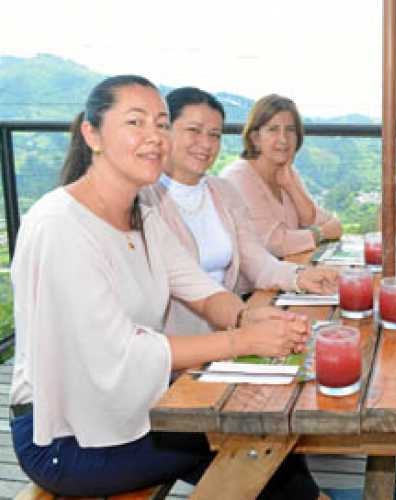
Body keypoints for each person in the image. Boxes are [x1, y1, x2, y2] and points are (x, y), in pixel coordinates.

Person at [8, 75, 323, 499]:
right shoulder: (59, 226)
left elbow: (200, 289)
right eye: (135, 122)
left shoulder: (144, 212)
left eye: (160, 124)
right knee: (253, 438)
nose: (154, 137)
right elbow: (122, 350)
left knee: (267, 436)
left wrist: (248, 315)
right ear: (92, 134)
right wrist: (243, 340)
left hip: (131, 407)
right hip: (68, 438)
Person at [140, 87, 338, 335]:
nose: (206, 144)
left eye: (215, 134)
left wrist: (300, 276)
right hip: (178, 345)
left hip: (231, 327)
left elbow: (257, 261)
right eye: (194, 130)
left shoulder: (223, 192)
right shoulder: (142, 200)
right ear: (164, 131)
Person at [220, 94, 342, 257]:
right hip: (252, 274)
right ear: (255, 138)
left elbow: (321, 221)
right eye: (273, 129)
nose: (283, 139)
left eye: (290, 130)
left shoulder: (286, 172)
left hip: (287, 268)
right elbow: (273, 243)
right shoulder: (239, 177)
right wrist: (320, 233)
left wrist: (291, 186)